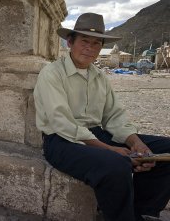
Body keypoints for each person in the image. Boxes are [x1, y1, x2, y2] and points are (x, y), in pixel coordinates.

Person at [33, 13, 170, 221]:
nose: (90, 48)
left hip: (97, 135)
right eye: (84, 41)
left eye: (96, 43)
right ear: (70, 42)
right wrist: (112, 150)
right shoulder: (52, 73)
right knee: (116, 165)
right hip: (61, 141)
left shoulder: (99, 77)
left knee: (164, 151)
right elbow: (61, 122)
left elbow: (114, 115)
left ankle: (142, 211)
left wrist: (136, 143)